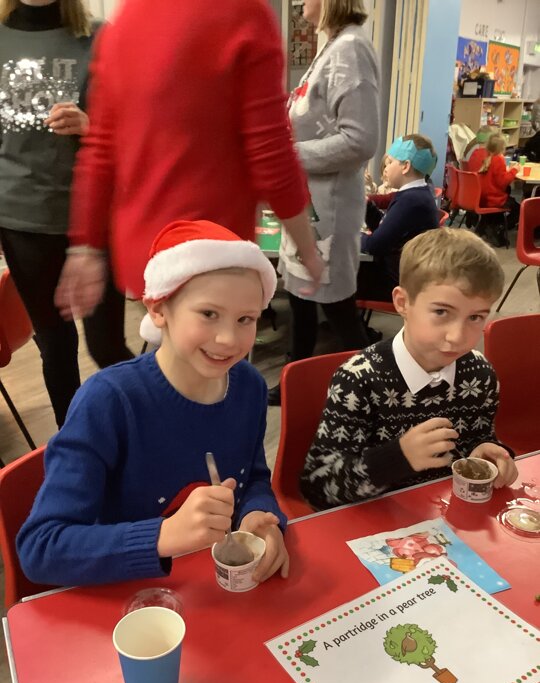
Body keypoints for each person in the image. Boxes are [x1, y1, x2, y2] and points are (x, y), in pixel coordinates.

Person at [17, 220, 289, 587]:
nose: (228, 338)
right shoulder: (108, 401)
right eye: (209, 314)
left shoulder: (250, 387)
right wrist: (164, 535)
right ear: (158, 310)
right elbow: (40, 548)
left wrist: (259, 514)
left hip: (210, 588)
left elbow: (252, 476)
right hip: (127, 599)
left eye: (246, 319)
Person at [55, 0, 323, 325]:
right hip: (212, 248)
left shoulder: (126, 20)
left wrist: (85, 246)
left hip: (145, 253)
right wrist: (306, 247)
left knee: (171, 351)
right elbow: (270, 150)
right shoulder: (243, 14)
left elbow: (100, 149)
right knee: (214, 351)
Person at [301, 227, 518, 511]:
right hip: (376, 518)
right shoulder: (357, 380)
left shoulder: (480, 374)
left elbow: (480, 438)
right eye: (441, 312)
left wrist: (491, 453)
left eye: (475, 317)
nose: (457, 336)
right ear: (403, 302)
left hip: (446, 515)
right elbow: (318, 487)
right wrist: (399, 457)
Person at [0, 0, 133, 428]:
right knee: (55, 345)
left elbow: (135, 130)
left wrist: (90, 125)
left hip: (94, 219)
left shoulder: (99, 37)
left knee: (107, 345)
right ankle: (75, 445)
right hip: (22, 220)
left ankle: (139, 434)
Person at [270, 0, 380, 406]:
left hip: (329, 212)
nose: (300, 1)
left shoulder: (350, 49)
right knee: (301, 301)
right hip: (308, 205)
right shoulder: (331, 47)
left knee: (337, 311)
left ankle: (374, 395)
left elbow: (360, 140)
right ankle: (293, 383)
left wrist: (288, 156)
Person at [356, 134, 439, 303]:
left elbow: (374, 245)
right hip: (400, 275)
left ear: (405, 166)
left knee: (338, 275)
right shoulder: (416, 194)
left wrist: (350, 236)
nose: (386, 168)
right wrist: (367, 206)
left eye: (390, 162)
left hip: (395, 283)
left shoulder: (411, 200)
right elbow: (386, 229)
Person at [477, 132, 520, 245]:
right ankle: (499, 227)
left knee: (511, 200)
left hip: (484, 198)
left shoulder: (487, 158)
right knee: (519, 209)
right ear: (502, 147)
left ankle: (489, 225)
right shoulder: (499, 159)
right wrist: (514, 170)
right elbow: (503, 182)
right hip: (495, 199)